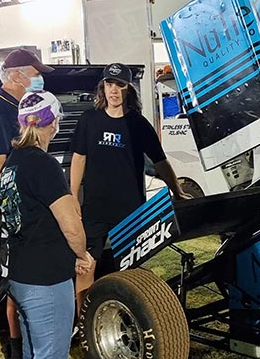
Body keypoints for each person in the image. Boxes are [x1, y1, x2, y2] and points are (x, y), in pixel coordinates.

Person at [0, 91, 93, 359]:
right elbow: (71, 225)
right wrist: (82, 254)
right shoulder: (43, 164)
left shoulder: (12, 162)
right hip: (46, 281)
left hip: (21, 276)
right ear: (51, 123)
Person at [69, 63, 189, 309]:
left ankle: (125, 315)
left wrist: (176, 190)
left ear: (128, 89)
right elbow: (79, 158)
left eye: (119, 85)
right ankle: (82, 322)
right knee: (86, 265)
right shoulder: (89, 120)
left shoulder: (138, 123)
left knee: (129, 268)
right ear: (103, 88)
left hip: (130, 211)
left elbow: (160, 160)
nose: (113, 90)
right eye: (109, 84)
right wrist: (72, 196)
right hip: (94, 208)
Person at [0, 48, 54, 359]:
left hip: (21, 205)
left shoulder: (15, 107)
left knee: (21, 278)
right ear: (14, 76)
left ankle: (22, 346)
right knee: (15, 280)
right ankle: (16, 350)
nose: (37, 79)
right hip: (12, 207)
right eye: (33, 73)